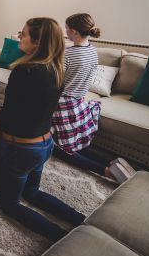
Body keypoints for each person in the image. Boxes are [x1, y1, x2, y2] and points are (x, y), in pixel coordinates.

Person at [0, 17, 85, 242]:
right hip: (45, 144)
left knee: (9, 204)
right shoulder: (57, 68)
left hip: (23, 150)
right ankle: (82, 220)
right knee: (31, 192)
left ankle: (63, 238)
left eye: (23, 34)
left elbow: (8, 113)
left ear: (37, 43)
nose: (19, 37)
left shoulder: (24, 72)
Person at [52, 13, 135, 183]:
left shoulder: (68, 55)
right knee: (77, 144)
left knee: (59, 148)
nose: (65, 31)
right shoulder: (91, 50)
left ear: (74, 31)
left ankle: (104, 170)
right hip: (79, 102)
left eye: (67, 28)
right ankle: (114, 162)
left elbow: (56, 81)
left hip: (63, 104)